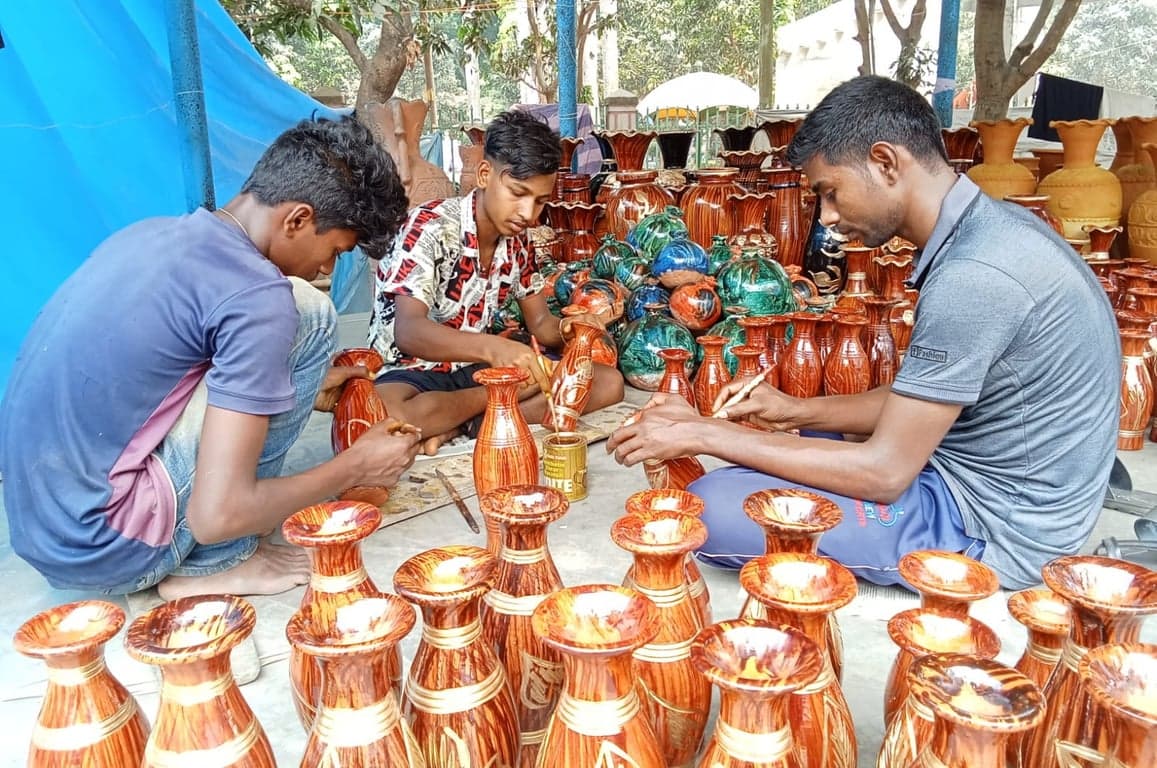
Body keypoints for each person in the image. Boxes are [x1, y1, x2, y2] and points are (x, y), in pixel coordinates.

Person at [607, 76, 1119, 590]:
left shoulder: (976, 276)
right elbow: (916, 400)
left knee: (707, 509)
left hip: (994, 527)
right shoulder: (988, 231)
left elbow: (884, 471)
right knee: (791, 442)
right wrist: (796, 410)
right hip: (963, 469)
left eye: (830, 193)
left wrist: (704, 432)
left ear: (886, 162)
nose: (827, 219)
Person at [0, 116, 422, 599]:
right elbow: (218, 514)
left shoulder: (155, 234)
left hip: (45, 535)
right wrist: (357, 466)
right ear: (298, 219)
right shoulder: (258, 296)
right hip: (109, 547)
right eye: (335, 251)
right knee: (311, 309)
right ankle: (216, 563)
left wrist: (291, 381)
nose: (327, 267)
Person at [369, 109, 624, 454]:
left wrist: (570, 329)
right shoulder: (428, 227)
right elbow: (410, 332)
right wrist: (496, 348)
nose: (528, 213)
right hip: (413, 373)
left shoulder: (519, 243)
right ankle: (483, 410)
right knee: (387, 413)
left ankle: (463, 420)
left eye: (540, 201)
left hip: (477, 371)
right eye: (518, 193)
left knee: (607, 383)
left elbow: (539, 323)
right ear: (485, 174)